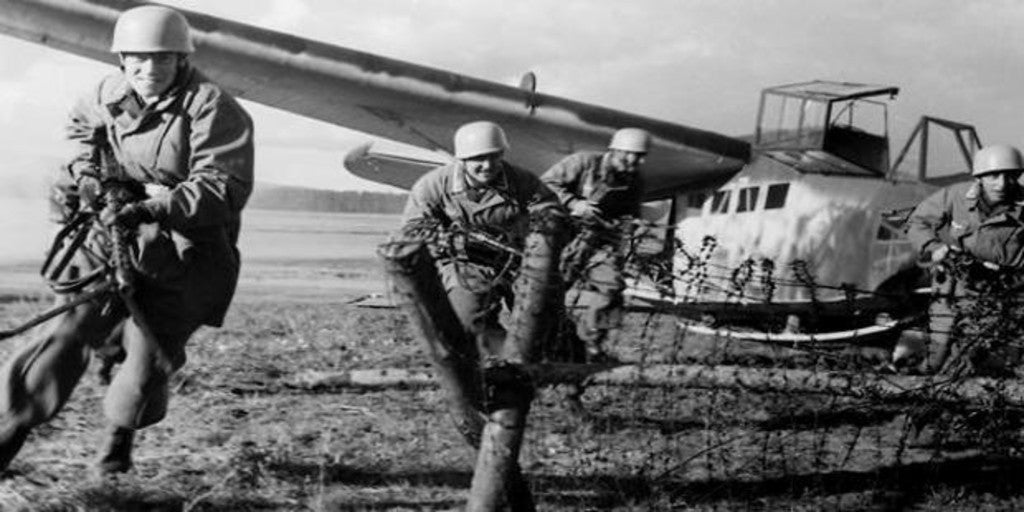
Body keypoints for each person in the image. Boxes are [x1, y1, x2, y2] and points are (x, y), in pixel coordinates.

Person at [0, 5, 254, 475]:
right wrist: (91, 175)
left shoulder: (213, 106)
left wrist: (156, 205)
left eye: (162, 60)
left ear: (181, 59)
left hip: (184, 252)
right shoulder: (106, 93)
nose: (148, 70)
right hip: (109, 233)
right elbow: (80, 135)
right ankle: (6, 435)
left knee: (144, 370)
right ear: (121, 60)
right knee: (64, 337)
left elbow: (224, 186)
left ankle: (118, 443)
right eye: (137, 59)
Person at [396, 120, 564, 510]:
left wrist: (537, 226)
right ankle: (501, 379)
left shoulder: (522, 180)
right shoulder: (433, 185)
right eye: (477, 161)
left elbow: (550, 210)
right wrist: (451, 237)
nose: (486, 167)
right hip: (465, 263)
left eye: (492, 158)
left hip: (519, 258)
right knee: (470, 318)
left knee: (549, 317)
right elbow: (412, 228)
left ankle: (549, 370)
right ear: (461, 160)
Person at [905, 144, 1024, 375]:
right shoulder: (955, 196)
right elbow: (917, 221)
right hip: (953, 285)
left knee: (986, 355)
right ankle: (921, 387)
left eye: (1009, 176)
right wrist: (934, 247)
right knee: (937, 350)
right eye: (993, 175)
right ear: (979, 176)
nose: (1001, 183)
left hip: (1003, 293)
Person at [540, 127, 651, 361]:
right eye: (629, 154)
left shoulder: (635, 181)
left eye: (640, 156)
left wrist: (636, 225)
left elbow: (630, 215)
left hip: (600, 243)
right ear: (614, 150)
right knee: (550, 294)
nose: (634, 161)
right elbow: (544, 185)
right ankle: (551, 345)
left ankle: (593, 343)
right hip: (561, 236)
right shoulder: (583, 162)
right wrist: (574, 203)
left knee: (610, 289)